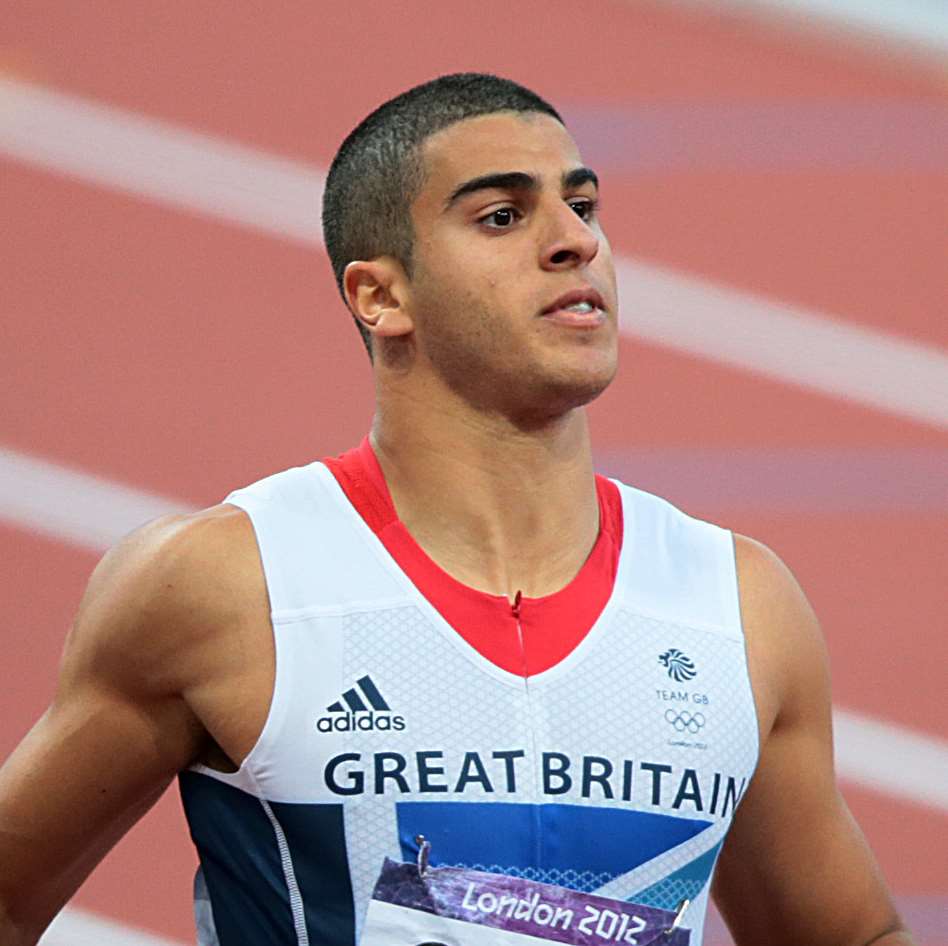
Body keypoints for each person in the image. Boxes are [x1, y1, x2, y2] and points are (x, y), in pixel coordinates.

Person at [0, 73, 913, 946]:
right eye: (503, 215)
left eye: (583, 206)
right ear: (380, 295)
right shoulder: (227, 587)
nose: (574, 241)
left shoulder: (739, 607)